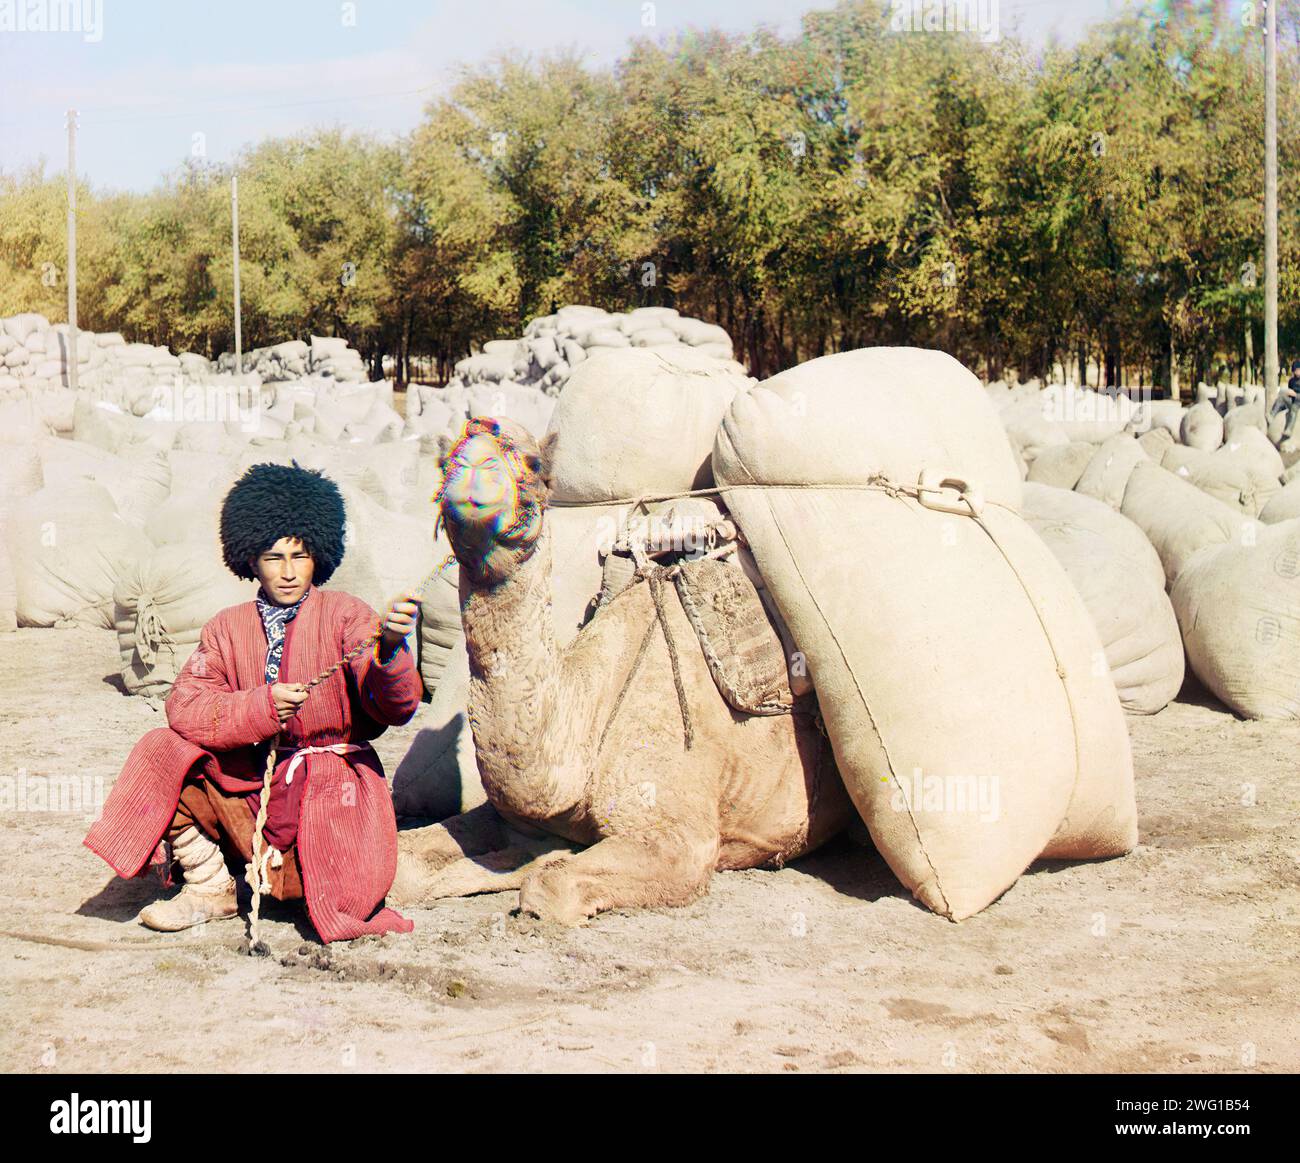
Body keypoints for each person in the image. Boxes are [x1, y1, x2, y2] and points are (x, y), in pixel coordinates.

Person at [85, 462, 425, 941]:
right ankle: (210, 887)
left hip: (331, 786)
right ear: (249, 560)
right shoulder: (226, 627)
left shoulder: (348, 614)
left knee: (329, 894)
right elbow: (185, 705)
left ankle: (295, 876)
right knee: (164, 750)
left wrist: (389, 650)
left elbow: (397, 706)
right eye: (273, 557)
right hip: (251, 780)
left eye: (299, 556)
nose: (287, 573)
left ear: (319, 555)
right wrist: (260, 708)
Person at [1270, 360, 1300, 441]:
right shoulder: (1291, 381)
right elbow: (1289, 391)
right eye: (1296, 370)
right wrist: (1287, 393)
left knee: (1294, 408)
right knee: (1281, 396)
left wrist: (1296, 395)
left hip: (1298, 402)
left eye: (1299, 370)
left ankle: (1289, 430)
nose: (1297, 372)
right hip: (1292, 400)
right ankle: (1272, 415)